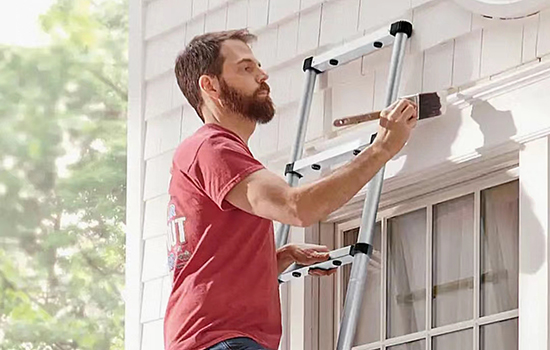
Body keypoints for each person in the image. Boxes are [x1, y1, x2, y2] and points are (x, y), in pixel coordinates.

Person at [164, 29, 417, 350]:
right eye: (246, 68)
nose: (262, 74)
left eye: (257, 66)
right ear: (209, 85)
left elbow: (208, 254)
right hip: (223, 341)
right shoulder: (213, 147)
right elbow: (297, 208)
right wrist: (382, 148)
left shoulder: (205, 153)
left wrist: (274, 259)